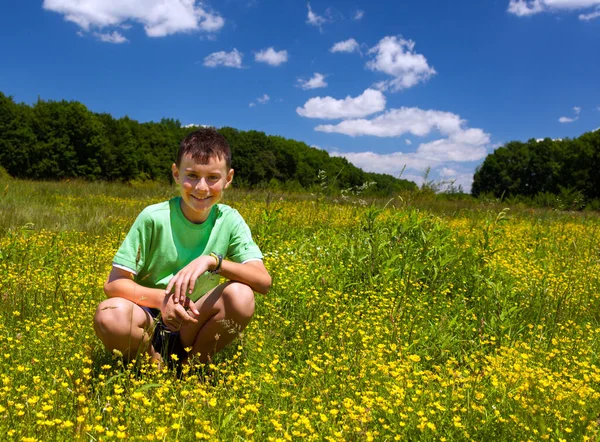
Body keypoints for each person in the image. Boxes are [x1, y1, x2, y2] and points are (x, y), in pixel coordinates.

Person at [93, 128, 271, 365]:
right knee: (110, 314)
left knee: (241, 295)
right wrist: (162, 301)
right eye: (192, 175)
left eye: (213, 178)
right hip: (147, 316)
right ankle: (154, 367)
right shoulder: (153, 217)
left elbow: (263, 281)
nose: (201, 187)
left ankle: (193, 367)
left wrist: (213, 261)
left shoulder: (229, 219)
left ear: (228, 179)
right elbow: (114, 284)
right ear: (176, 174)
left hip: (194, 320)